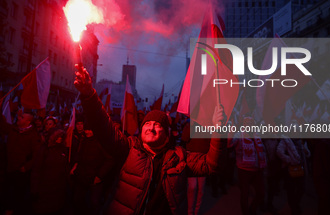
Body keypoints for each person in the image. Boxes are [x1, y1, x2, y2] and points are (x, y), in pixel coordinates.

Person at [74, 65, 228, 215]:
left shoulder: (180, 157)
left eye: (157, 125)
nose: (151, 127)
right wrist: (89, 95)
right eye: (147, 124)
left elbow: (211, 165)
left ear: (167, 135)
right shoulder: (128, 148)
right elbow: (103, 127)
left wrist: (217, 130)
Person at [0, 110, 41, 215]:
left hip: (20, 171)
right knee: (7, 192)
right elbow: (2, 125)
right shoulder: (13, 129)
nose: (18, 118)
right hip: (9, 168)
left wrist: (26, 167)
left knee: (17, 195)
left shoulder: (33, 136)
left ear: (28, 122)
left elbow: (37, 155)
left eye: (22, 117)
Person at [228, 117, 266, 215]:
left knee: (261, 192)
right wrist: (231, 130)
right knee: (245, 194)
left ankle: (252, 210)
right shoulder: (239, 135)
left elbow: (261, 149)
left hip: (257, 169)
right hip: (243, 169)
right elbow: (229, 144)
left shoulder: (256, 134)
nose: (249, 124)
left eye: (251, 122)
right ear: (244, 124)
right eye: (247, 123)